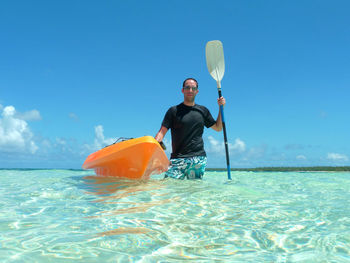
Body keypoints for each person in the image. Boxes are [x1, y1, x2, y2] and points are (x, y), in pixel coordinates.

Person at [155, 77, 226, 179]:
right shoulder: (173, 111)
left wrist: (221, 108)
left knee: (194, 190)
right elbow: (161, 132)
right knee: (170, 188)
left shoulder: (203, 111)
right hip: (178, 158)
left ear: (197, 91)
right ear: (182, 90)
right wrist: (154, 146)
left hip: (198, 158)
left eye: (193, 88)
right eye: (187, 88)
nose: (190, 90)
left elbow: (218, 128)